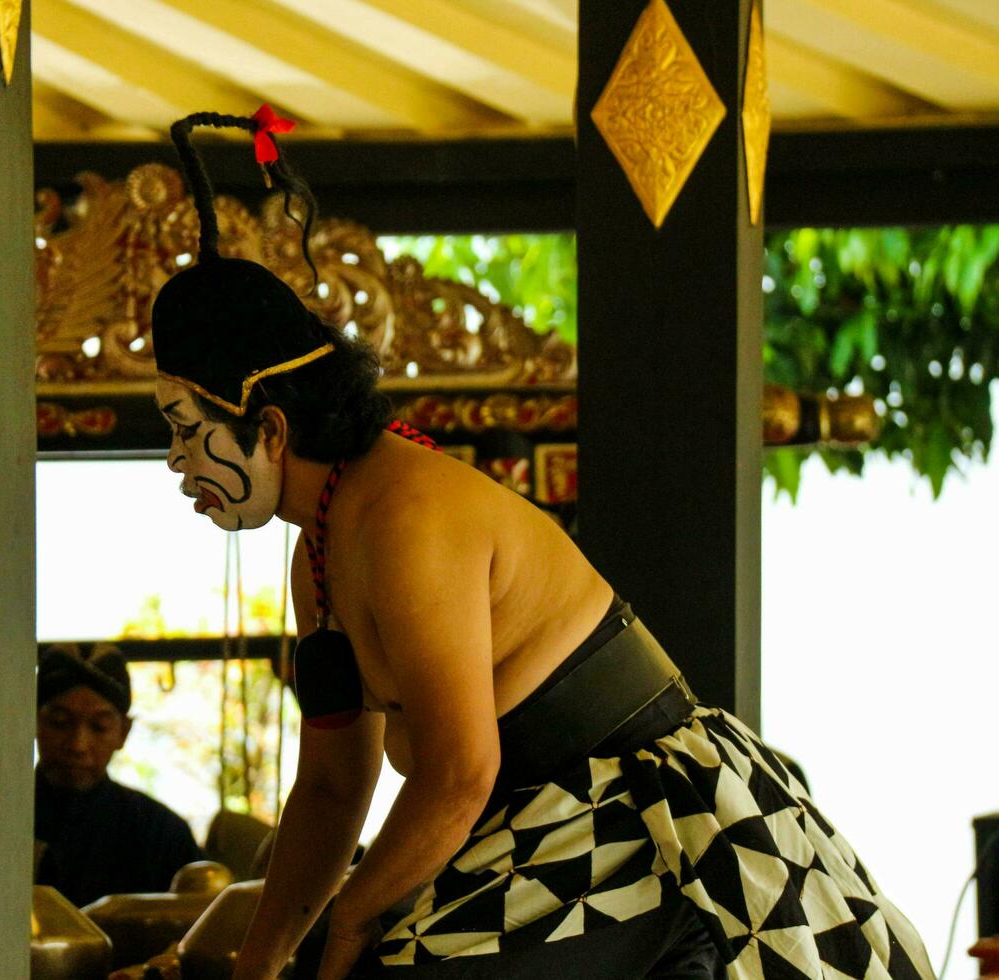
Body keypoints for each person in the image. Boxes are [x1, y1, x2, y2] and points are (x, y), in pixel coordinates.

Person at [152, 106, 935, 980]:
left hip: (653, 827)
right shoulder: (321, 556)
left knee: (396, 966)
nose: (178, 462)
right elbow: (337, 786)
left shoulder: (407, 515)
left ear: (266, 425)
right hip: (531, 824)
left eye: (185, 427)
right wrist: (264, 965)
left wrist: (349, 929)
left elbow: (456, 774)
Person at [34, 643, 203, 908]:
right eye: (60, 722)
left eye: (99, 727)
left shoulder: (161, 834)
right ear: (33, 721)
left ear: (123, 732)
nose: (78, 744)